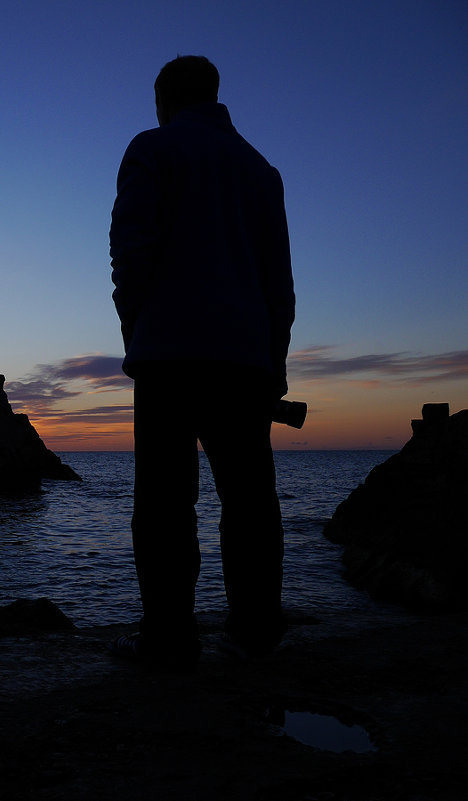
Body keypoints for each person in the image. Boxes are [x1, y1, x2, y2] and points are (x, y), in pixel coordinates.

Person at [108, 55, 295, 669]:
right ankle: (257, 630)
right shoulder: (261, 171)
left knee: (164, 502)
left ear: (164, 97)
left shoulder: (152, 149)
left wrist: (136, 327)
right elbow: (279, 285)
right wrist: (275, 362)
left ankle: (168, 639)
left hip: (169, 353)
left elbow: (129, 253)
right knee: (249, 501)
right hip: (245, 358)